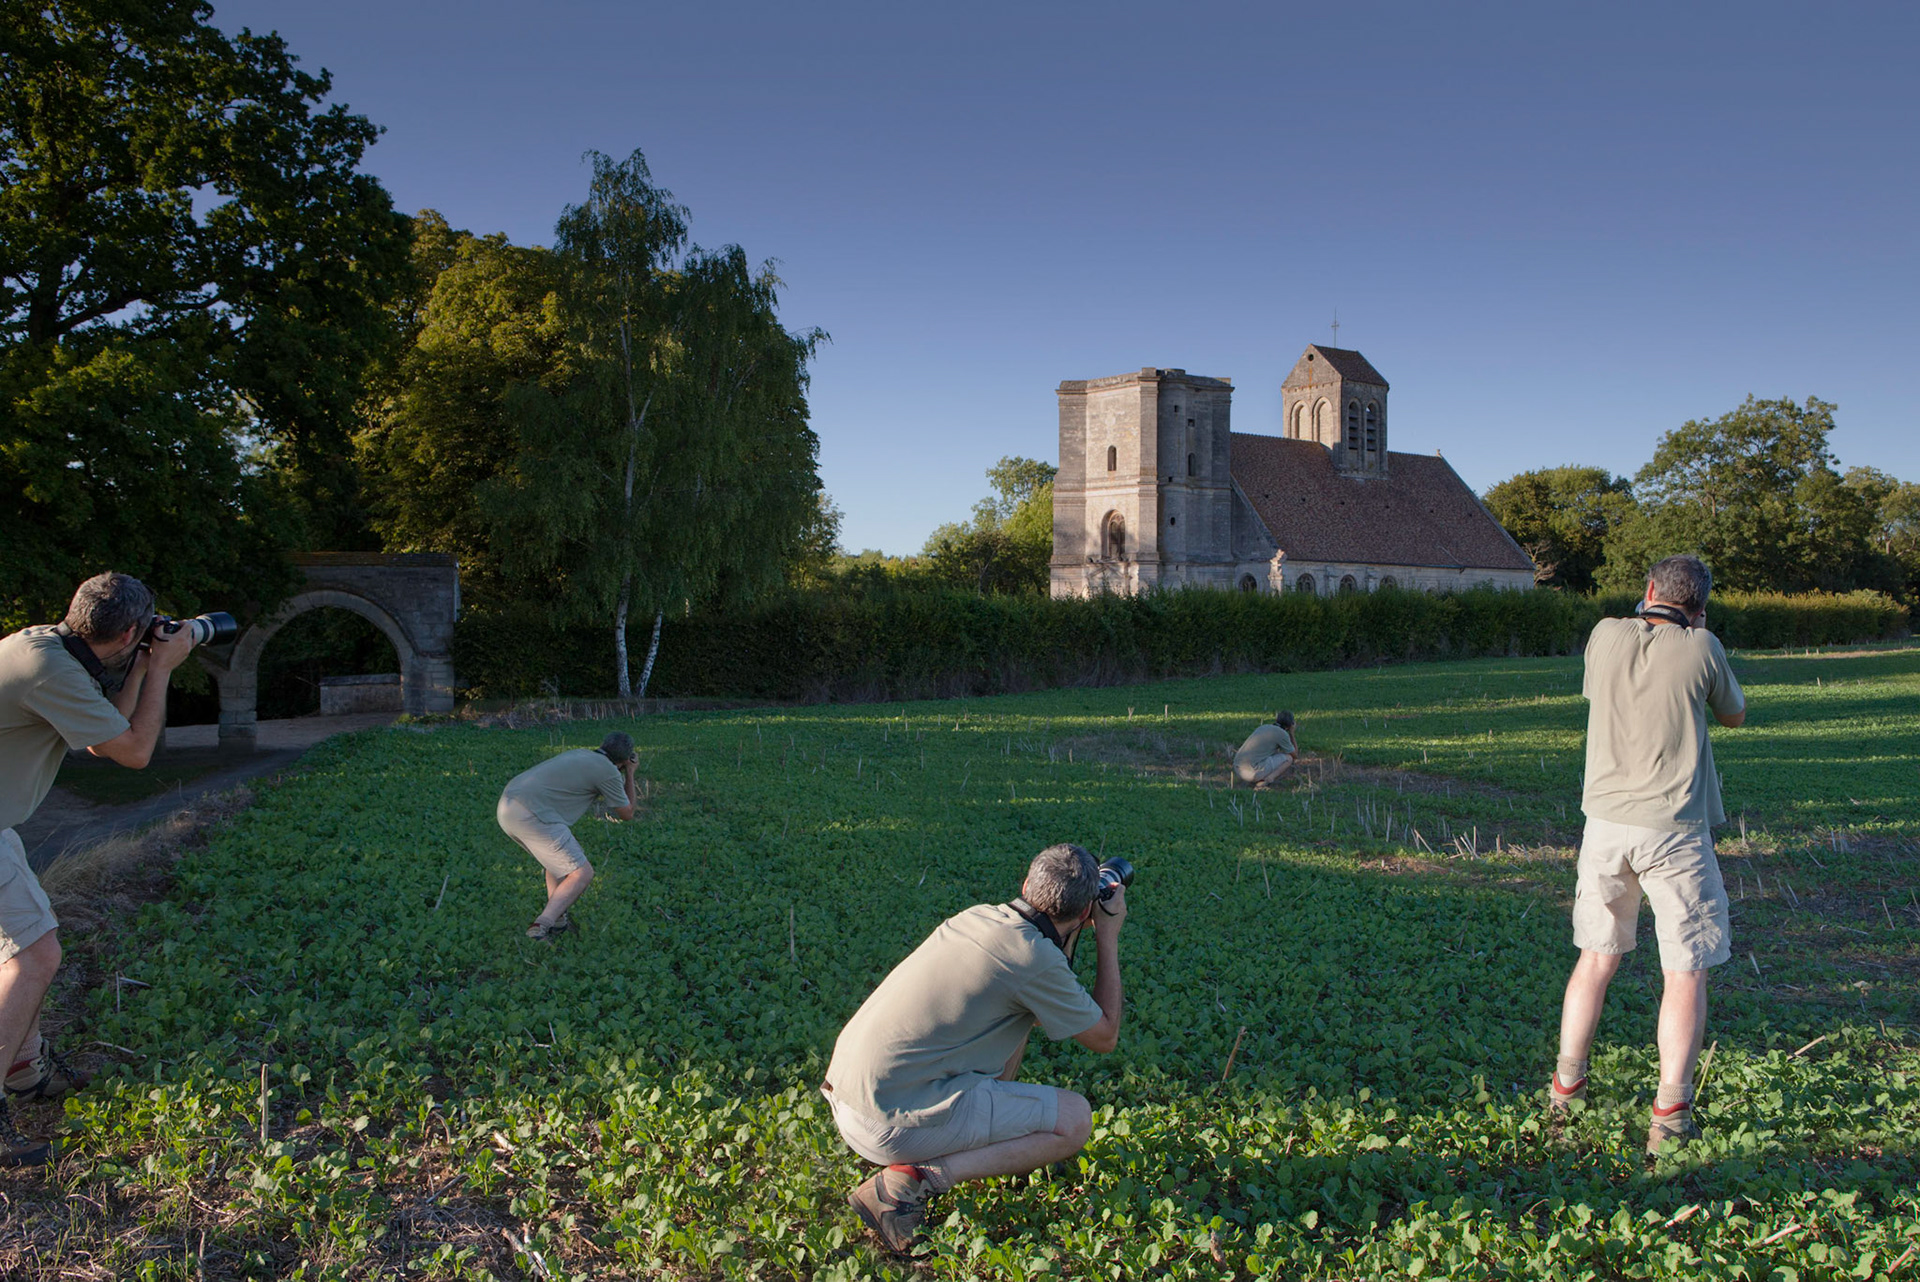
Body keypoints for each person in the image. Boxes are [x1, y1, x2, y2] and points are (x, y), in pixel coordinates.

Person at [823, 843, 1127, 1254]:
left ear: (1026, 884)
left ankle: (972, 1146)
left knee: (1018, 1022)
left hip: (848, 1093)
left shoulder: (978, 916)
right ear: (1087, 910)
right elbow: (1105, 1037)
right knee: (1074, 1120)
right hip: (886, 1125)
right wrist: (1107, 935)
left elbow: (1038, 1013)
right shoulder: (1034, 960)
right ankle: (908, 1183)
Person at [0, 571, 199, 1166]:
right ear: (132, 631)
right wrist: (161, 670)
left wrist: (140, 666)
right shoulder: (50, 670)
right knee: (36, 954)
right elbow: (135, 752)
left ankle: (24, 1067)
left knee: (24, 945)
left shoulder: (44, 646)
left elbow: (101, 738)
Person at [1550, 555, 1746, 1153]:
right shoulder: (1703, 645)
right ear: (1700, 604)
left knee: (1595, 959)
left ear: (1651, 589)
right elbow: (1734, 715)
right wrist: (1697, 632)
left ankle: (1564, 1092)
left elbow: (1602, 686)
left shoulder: (1604, 634)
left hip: (1605, 825)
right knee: (1684, 970)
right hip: (1676, 830)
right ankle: (1670, 1116)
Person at [496, 732, 637, 939]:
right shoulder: (608, 771)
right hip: (534, 815)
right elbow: (627, 813)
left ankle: (559, 922)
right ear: (625, 759)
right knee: (581, 873)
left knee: (557, 865)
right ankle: (541, 926)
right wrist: (630, 773)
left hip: (508, 807)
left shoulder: (580, 753)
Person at [1233, 710, 1298, 787]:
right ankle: (1267, 780)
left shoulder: (1263, 727)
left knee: (1274, 754)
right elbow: (1295, 755)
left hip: (1237, 768)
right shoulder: (1282, 734)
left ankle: (1254, 780)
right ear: (1290, 725)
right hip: (1252, 773)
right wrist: (1291, 734)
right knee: (1289, 759)